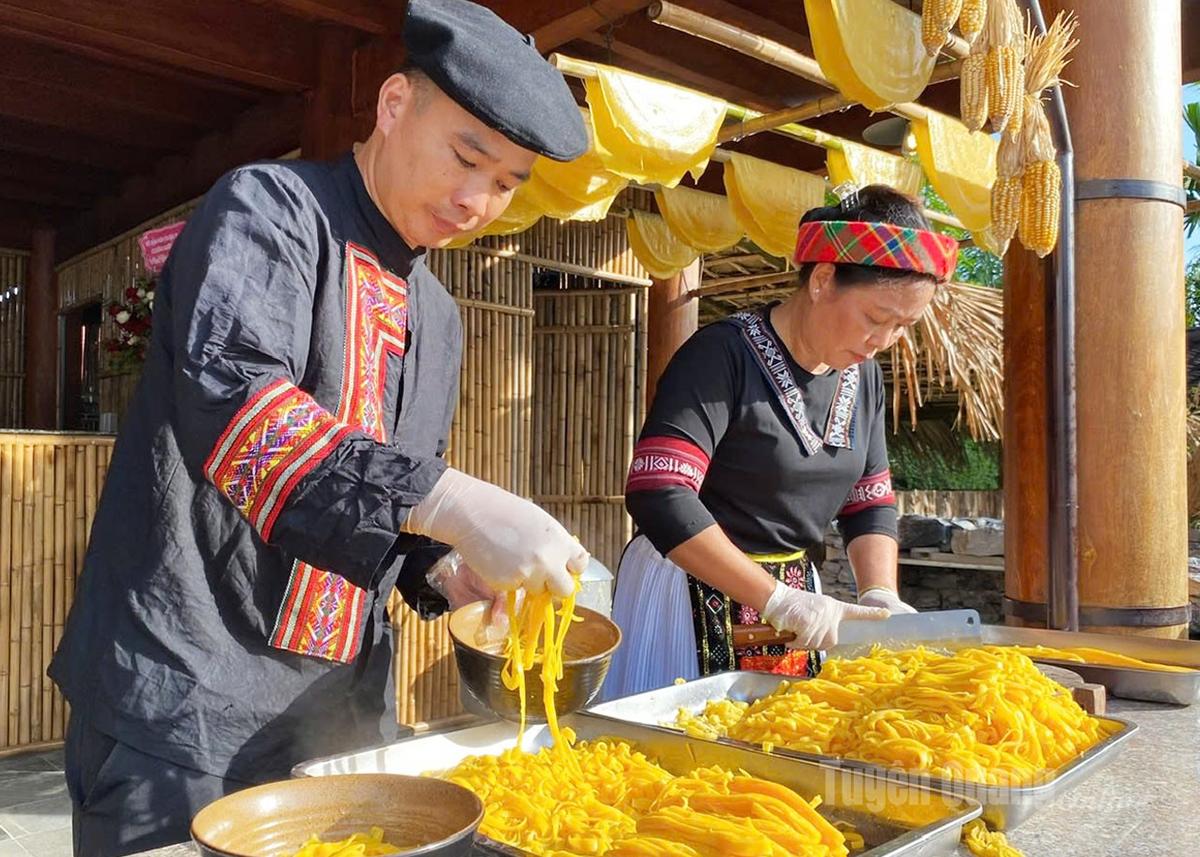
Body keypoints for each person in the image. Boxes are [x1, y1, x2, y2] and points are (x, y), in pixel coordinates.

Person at [48, 1, 590, 854]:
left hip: (339, 712)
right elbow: (238, 402)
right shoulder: (269, 211)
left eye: (507, 183)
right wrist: (452, 500)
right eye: (468, 157)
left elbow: (392, 495)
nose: (477, 198)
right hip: (187, 691)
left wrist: (446, 565)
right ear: (392, 106)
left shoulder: (439, 316)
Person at [603, 185, 958, 699]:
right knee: (682, 761)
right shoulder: (722, 355)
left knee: (777, 748)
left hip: (796, 601)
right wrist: (772, 598)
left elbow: (869, 501)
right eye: (877, 318)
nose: (883, 341)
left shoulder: (865, 379)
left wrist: (881, 594)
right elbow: (659, 492)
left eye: (904, 327)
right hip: (689, 588)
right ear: (822, 280)